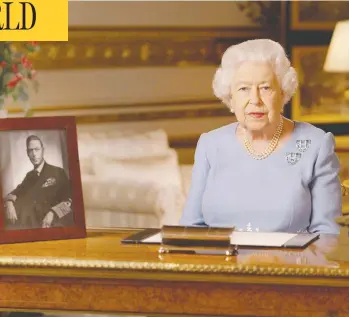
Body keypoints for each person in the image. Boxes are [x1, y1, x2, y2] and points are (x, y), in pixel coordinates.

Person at [180, 39, 342, 234]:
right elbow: (190, 229)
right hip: (218, 262)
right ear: (230, 98)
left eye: (265, 88)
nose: (255, 100)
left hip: (290, 264)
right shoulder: (210, 145)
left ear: (283, 94)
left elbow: (327, 235)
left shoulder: (316, 145)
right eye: (243, 89)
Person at [4, 135, 74, 230]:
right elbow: (16, 192)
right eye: (30, 150)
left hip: (51, 225)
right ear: (27, 153)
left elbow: (69, 201)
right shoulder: (29, 176)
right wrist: (9, 203)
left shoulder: (58, 172)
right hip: (28, 226)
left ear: (42, 150)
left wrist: (52, 213)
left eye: (37, 149)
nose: (34, 154)